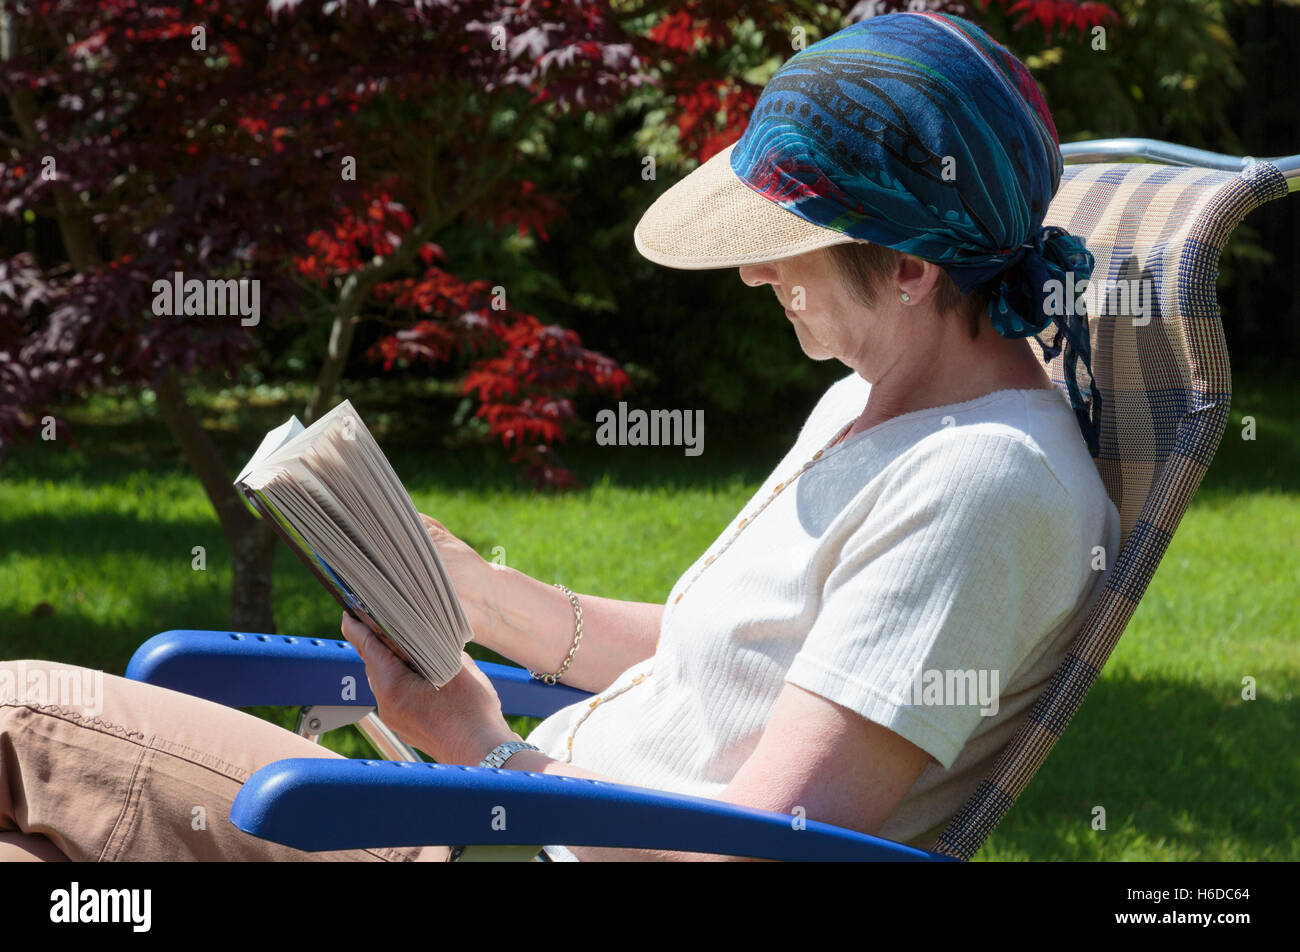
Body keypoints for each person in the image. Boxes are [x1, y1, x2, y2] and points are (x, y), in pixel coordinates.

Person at [0, 11, 1120, 862]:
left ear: (913, 268)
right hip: (511, 809)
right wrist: (478, 599)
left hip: (502, 838)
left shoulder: (985, 487)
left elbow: (760, 850)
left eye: (786, 240)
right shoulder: (877, 402)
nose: (752, 269)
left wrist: (477, 746)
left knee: (16, 721)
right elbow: (711, 664)